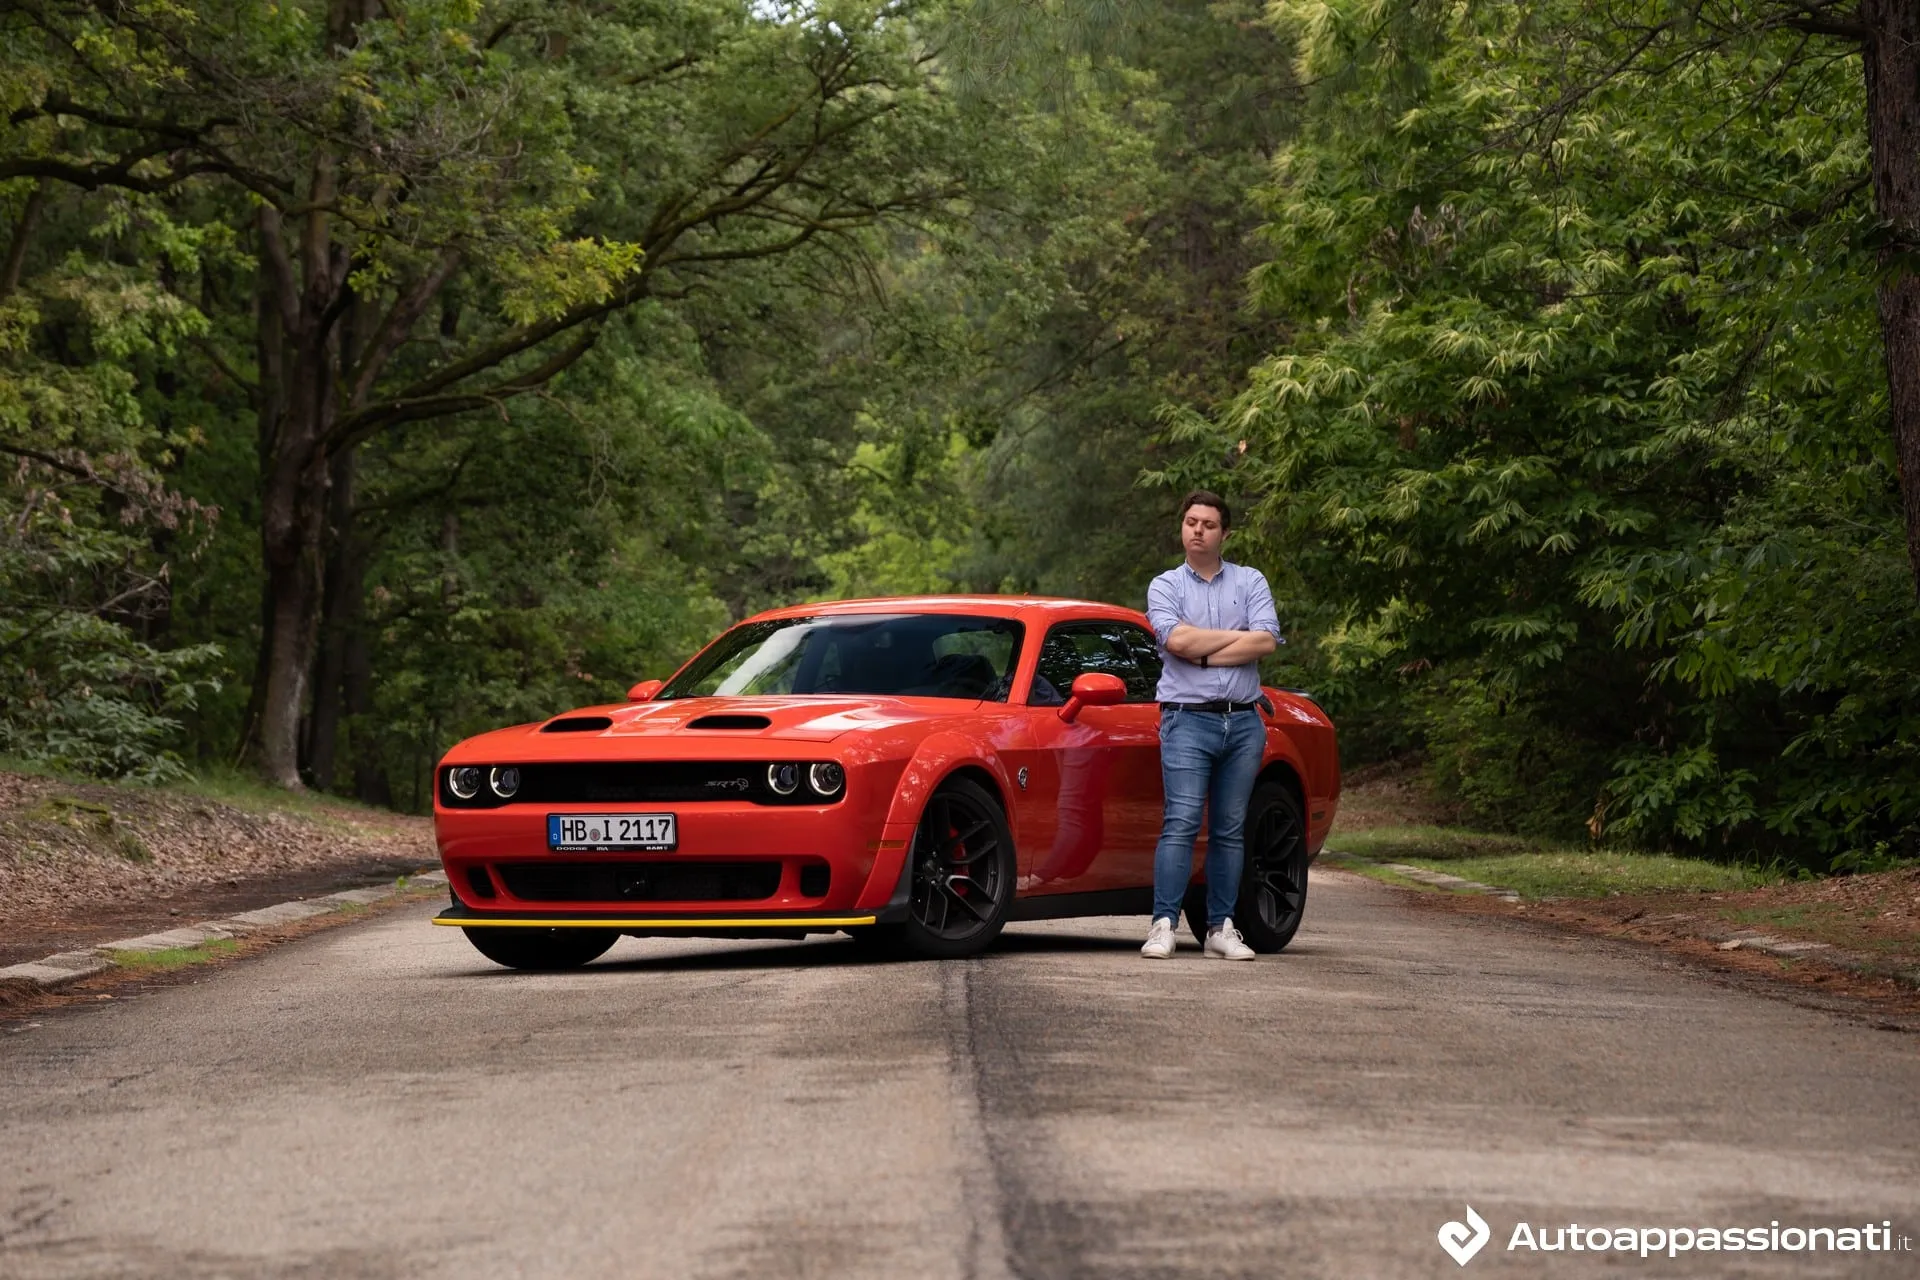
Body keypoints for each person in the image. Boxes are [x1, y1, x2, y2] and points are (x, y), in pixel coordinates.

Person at [1140, 490, 1281, 960]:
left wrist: (1204, 649)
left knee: (1229, 828)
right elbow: (1176, 639)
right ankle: (1163, 925)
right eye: (1190, 522)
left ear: (1224, 533)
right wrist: (1227, 640)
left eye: (1208, 524)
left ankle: (1221, 928)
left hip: (1243, 723)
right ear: (1182, 527)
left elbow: (1265, 641)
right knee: (1179, 823)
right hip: (1187, 721)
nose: (1197, 530)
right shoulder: (1165, 586)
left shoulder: (1250, 580)